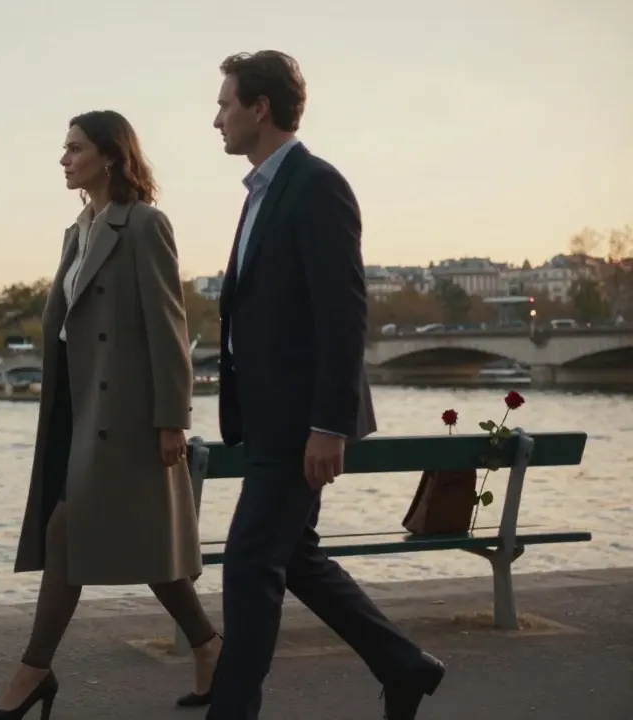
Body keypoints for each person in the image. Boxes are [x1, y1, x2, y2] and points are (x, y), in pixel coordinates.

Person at [206, 51, 446, 720]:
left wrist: (329, 425)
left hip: (297, 421)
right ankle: (406, 666)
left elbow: (343, 313)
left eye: (226, 103)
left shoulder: (316, 185)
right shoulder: (262, 192)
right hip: (267, 416)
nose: (216, 117)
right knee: (296, 557)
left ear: (260, 108)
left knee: (251, 564)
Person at [0, 110, 222, 719]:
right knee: (136, 545)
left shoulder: (143, 226)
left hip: (123, 417)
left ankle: (33, 673)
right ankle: (210, 646)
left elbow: (169, 329)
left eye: (75, 148)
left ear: (109, 156)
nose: (63, 158)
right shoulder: (77, 232)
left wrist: (172, 421)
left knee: (70, 536)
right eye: (64, 148)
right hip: (74, 411)